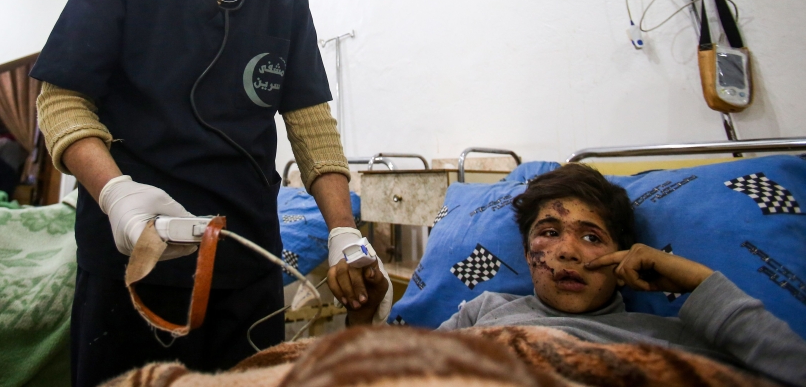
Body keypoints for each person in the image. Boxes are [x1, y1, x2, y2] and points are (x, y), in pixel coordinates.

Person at [30, 0, 390, 386]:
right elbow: (62, 100)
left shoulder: (285, 1)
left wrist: (343, 231)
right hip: (134, 249)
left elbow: (312, 126)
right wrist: (116, 194)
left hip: (244, 256)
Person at [344, 164, 805, 386]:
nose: (566, 251)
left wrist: (700, 284)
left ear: (623, 256)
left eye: (591, 237)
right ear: (527, 254)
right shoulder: (482, 311)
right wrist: (361, 324)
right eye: (549, 232)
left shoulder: (669, 334)